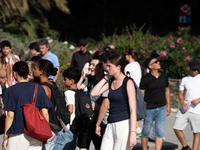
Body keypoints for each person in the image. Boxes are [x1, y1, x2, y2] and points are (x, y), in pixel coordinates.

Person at [91, 52, 137, 150]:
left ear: (118, 67)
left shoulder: (128, 82)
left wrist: (133, 133)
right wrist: (106, 77)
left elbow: (133, 109)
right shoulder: (111, 82)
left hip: (123, 124)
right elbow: (94, 93)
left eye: (109, 66)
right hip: (110, 123)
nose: (107, 68)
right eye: (106, 65)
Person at [2, 61, 53, 150]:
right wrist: (44, 133)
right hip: (36, 133)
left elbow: (10, 116)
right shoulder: (39, 89)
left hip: (18, 133)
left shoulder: (11, 90)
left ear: (14, 73)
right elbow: (45, 113)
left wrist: (6, 137)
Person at [77, 51, 108, 150]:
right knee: (83, 146)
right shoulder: (89, 78)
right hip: (87, 118)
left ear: (101, 67)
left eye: (93, 65)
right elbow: (78, 88)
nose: (90, 67)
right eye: (90, 64)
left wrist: (98, 107)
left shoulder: (106, 81)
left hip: (100, 120)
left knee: (99, 146)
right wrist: (83, 76)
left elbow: (108, 103)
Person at [139, 57, 170, 150]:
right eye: (156, 62)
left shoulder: (164, 76)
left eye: (158, 61)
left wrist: (169, 106)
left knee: (160, 132)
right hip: (149, 109)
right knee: (146, 132)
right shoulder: (145, 79)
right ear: (150, 66)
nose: (159, 62)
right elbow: (141, 95)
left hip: (162, 108)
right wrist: (140, 109)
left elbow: (167, 91)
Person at [173, 60, 200, 150]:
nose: (196, 71)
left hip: (197, 110)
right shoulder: (185, 79)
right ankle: (185, 147)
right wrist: (182, 101)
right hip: (185, 108)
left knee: (197, 132)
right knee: (176, 127)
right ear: (189, 68)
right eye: (194, 69)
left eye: (197, 69)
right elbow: (180, 93)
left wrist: (199, 100)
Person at [53, 67, 81, 150]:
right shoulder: (79, 93)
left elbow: (70, 110)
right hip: (75, 129)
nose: (63, 81)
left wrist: (61, 120)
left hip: (67, 129)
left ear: (72, 81)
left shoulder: (68, 93)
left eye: (65, 79)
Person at [33, 59, 58, 150]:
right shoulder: (51, 84)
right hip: (51, 127)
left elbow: (44, 111)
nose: (33, 70)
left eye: (35, 68)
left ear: (41, 72)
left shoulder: (43, 88)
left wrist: (44, 131)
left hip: (46, 127)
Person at [124, 48, 142, 138]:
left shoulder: (129, 66)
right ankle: (136, 129)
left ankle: (137, 129)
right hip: (136, 89)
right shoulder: (137, 64)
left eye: (126, 54)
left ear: (129, 55)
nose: (125, 56)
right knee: (132, 109)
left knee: (129, 110)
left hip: (130, 89)